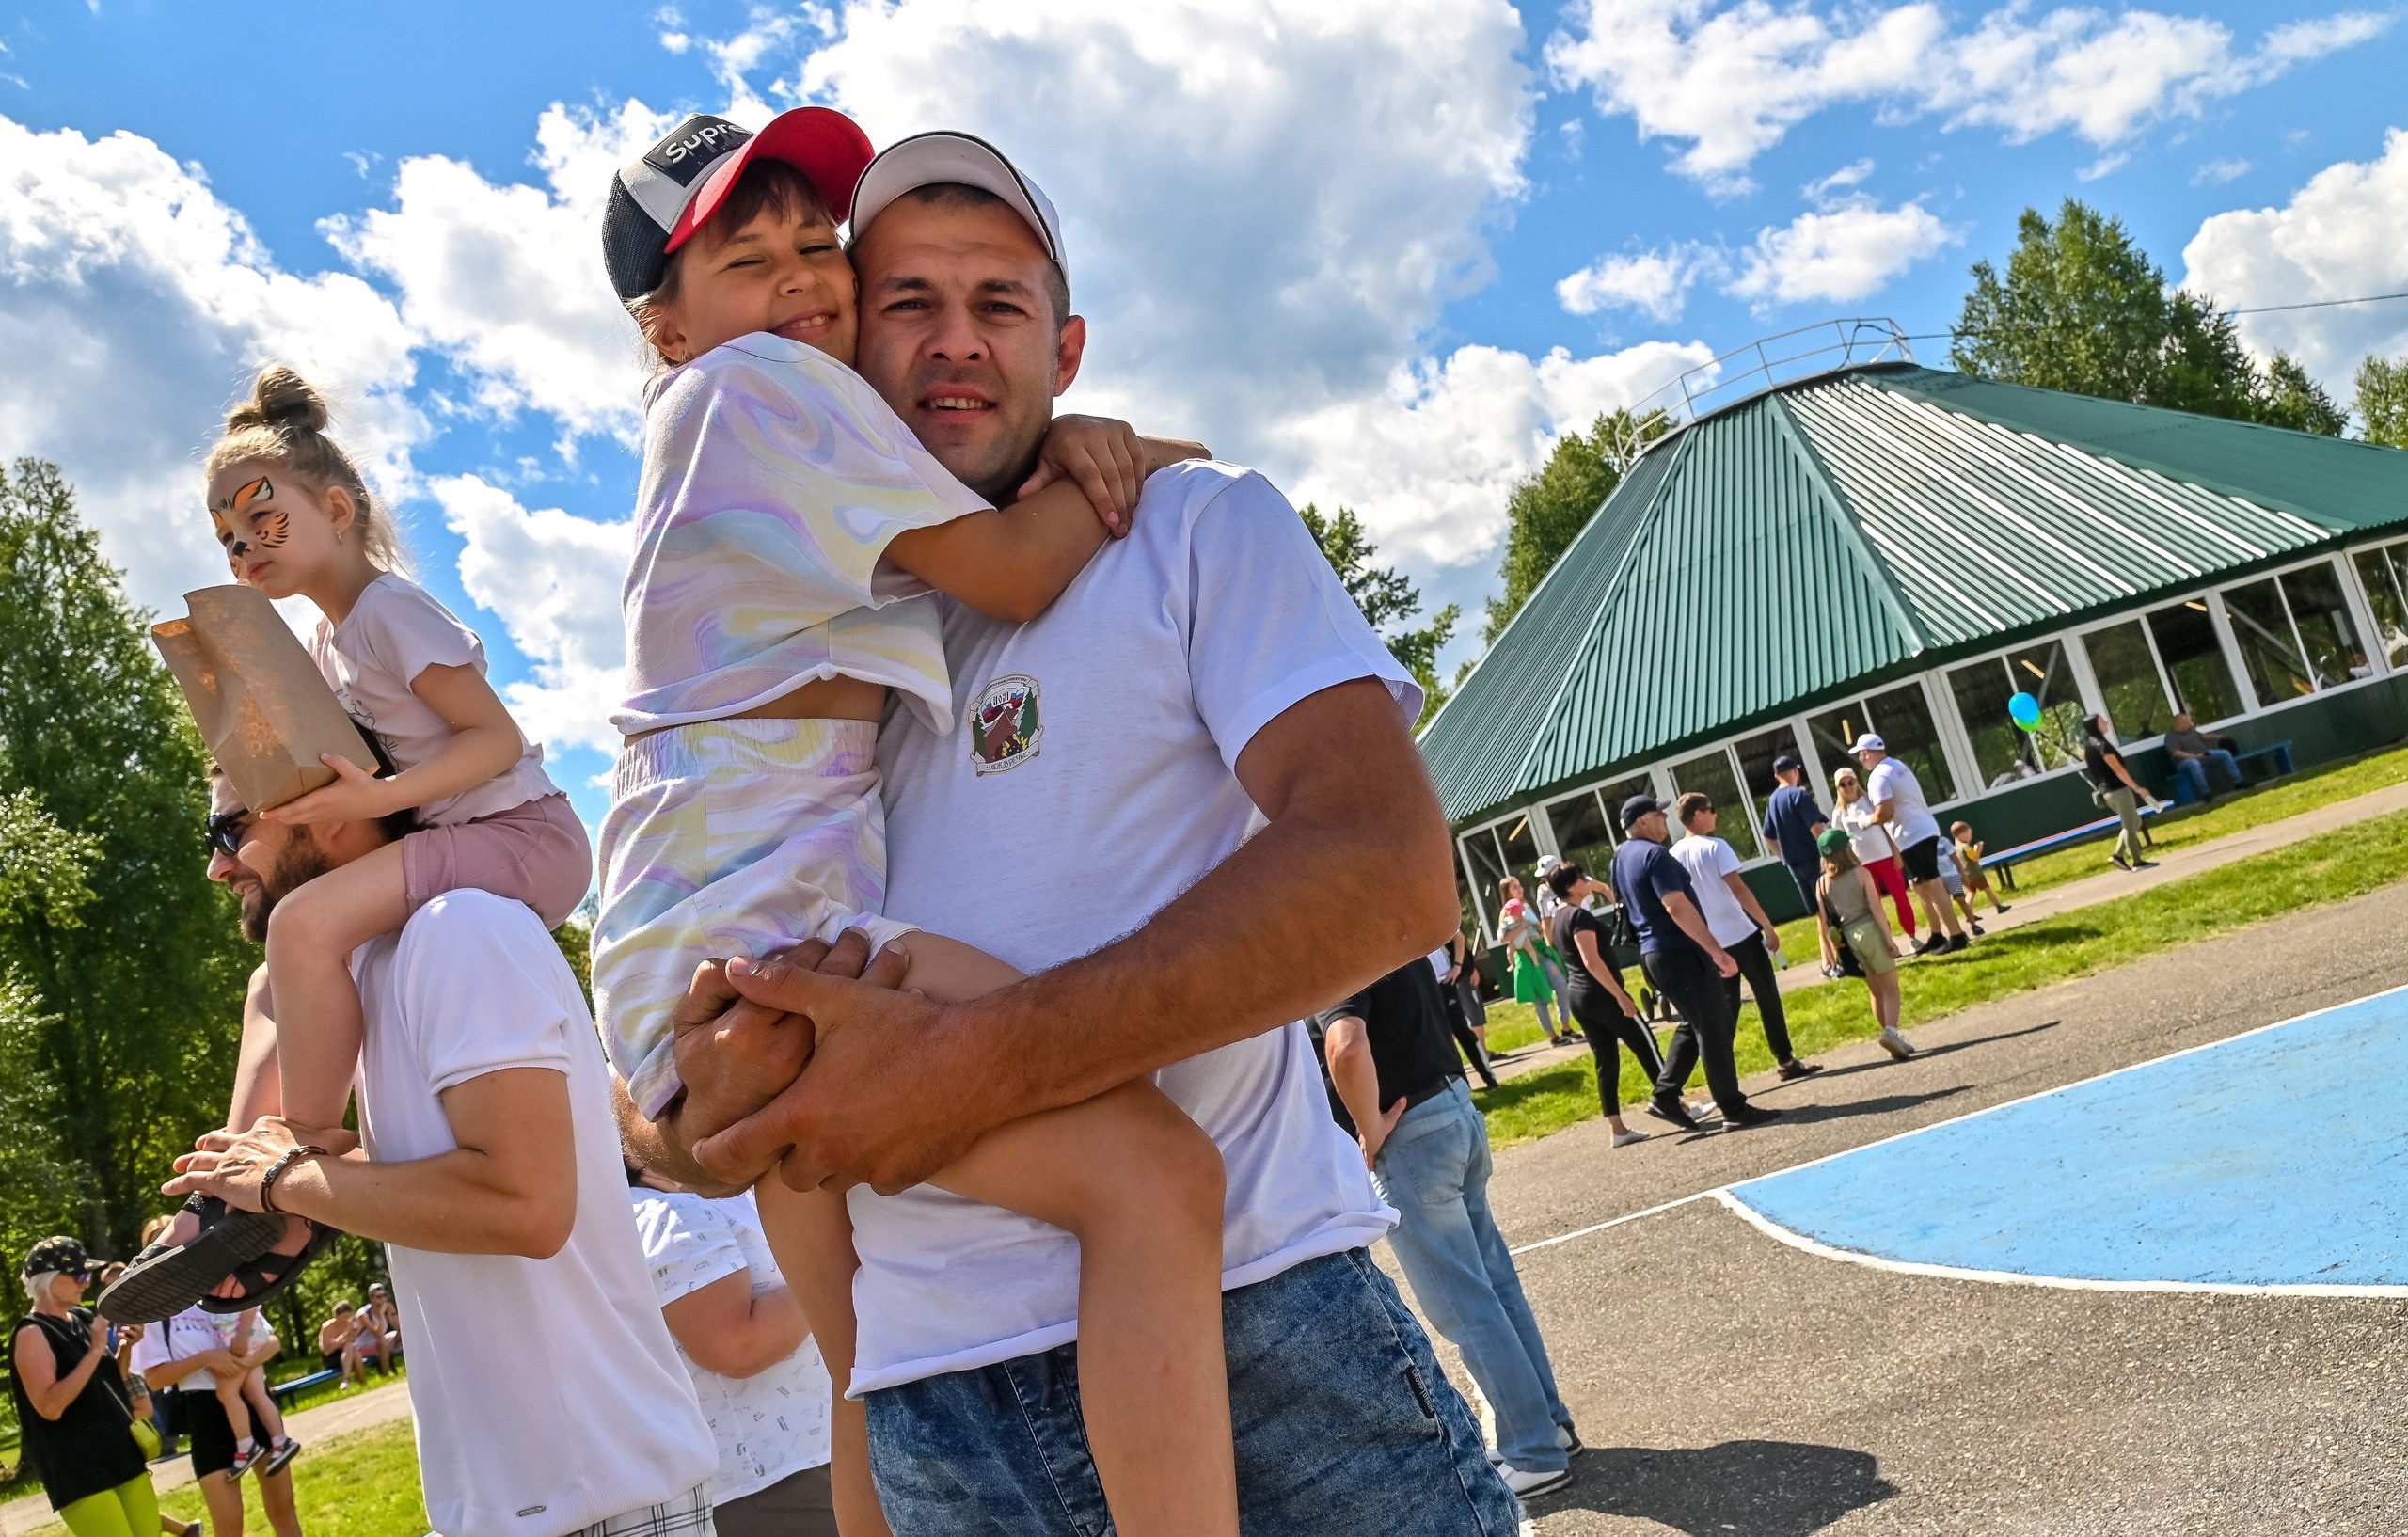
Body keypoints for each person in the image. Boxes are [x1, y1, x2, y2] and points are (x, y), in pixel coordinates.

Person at [623, 127, 1517, 1537]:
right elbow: (673, 1105)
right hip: (935, 1417)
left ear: (1071, 343)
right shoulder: (851, 611)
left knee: (1150, 1180)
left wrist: (968, 1067)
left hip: (1260, 1343)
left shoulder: (1191, 530)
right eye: (905, 299)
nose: (952, 341)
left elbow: (1392, 872)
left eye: (1001, 302)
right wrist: (697, 1123)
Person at [592, 109, 1241, 1537]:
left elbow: (965, 502)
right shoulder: (758, 390)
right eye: (748, 263)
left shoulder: (761, 429)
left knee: (858, 1361)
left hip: (696, 937)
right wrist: (1127, 463)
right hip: (765, 933)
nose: (806, 283)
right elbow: (1009, 568)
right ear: (669, 330)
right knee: (1156, 1173)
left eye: (818, 243)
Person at [115, 365, 594, 1321]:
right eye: (228, 535)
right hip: (462, 830)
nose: (245, 546)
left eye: (264, 519)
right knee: (271, 980)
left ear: (338, 506)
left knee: (301, 928)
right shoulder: (333, 643)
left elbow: (494, 740)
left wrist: (382, 791)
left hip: (522, 834)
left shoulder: (389, 612)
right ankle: (237, 1198)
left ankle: (302, 1151)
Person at [157, 768, 719, 1537]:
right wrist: (279, 1190)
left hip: (597, 1489)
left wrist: (289, 1182)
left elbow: (524, 1207)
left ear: (321, 809)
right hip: (499, 1504)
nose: (216, 866)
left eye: (227, 831)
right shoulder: (361, 969)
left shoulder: (460, 931)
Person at [1318, 957, 1578, 1499]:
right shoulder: (1391, 933)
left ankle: (1533, 1448)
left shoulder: (1328, 952)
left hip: (1409, 1135)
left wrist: (1370, 1128)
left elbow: (1345, 1044)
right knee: (1496, 1287)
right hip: (1452, 1107)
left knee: (1466, 1306)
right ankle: (1548, 1424)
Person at [628, 1167, 837, 1537]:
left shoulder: (692, 1205)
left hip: (799, 1467)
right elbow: (737, 1347)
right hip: (776, 1483)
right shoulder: (670, 1216)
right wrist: (836, 1269)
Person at [1609, 796, 1780, 1132]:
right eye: (1658, 815)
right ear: (1642, 822)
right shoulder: (1654, 855)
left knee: (1694, 1022)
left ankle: (1666, 1096)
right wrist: (1715, 949)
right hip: (1679, 951)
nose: (1665, 820)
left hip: (1651, 953)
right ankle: (1733, 1107)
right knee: (1713, 1026)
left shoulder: (1620, 858)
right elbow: (1675, 906)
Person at [9, 1238, 156, 1537]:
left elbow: (104, 1382)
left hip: (121, 1452)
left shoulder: (83, 1318)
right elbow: (50, 1407)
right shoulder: (31, 1333)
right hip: (78, 1472)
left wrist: (125, 1350)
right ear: (49, 1281)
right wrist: (95, 1349)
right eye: (79, 1276)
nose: (86, 1284)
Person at [1671, 794, 1823, 1082]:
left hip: (1711, 943)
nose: (1715, 815)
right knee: (1767, 997)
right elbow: (1738, 888)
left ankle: (1723, 1071)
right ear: (1699, 815)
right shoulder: (1716, 846)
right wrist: (1766, 924)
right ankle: (1786, 1059)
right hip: (1740, 933)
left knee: (1726, 1007)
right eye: (1711, 810)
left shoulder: (1674, 855)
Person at [131, 1307, 303, 1537]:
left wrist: (240, 1366)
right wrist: (206, 1359)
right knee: (229, 1526)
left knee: (284, 1509)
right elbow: (155, 1379)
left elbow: (271, 1342)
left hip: (253, 1402)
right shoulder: (155, 1311)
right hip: (205, 1413)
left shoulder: (222, 1290)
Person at [1544, 861, 1660, 1147]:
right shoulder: (1578, 917)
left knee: (1606, 1060)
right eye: (1582, 878)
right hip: (1601, 994)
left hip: (1579, 996)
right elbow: (1591, 961)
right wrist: (1620, 995)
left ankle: (1617, 1129)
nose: (1587, 880)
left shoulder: (1559, 917)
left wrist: (1603, 889)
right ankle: (1674, 1101)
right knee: (1646, 1044)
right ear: (1571, 886)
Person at [1853, 734, 1968, 955]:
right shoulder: (1897, 765)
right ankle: (1936, 934)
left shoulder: (1879, 775)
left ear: (1867, 753)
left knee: (1932, 884)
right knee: (1919, 886)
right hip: (1920, 830)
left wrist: (1865, 821)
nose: (1860, 759)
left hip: (1913, 834)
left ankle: (1956, 935)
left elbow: (1885, 813)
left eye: (1861, 754)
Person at [1813, 831, 1913, 1060]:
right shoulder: (1861, 873)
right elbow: (1876, 909)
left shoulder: (1821, 883)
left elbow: (1824, 920)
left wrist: (1832, 952)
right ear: (1847, 849)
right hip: (1869, 931)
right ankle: (1891, 1032)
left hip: (1847, 940)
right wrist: (1889, 940)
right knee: (1890, 987)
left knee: (1876, 992)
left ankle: (1891, 1035)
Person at [195, 1310, 298, 1480]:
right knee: (256, 1394)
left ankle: (246, 1445)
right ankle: (280, 1441)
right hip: (247, 1339)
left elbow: (249, 1305)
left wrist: (242, 1336)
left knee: (226, 1393)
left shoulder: (229, 1285)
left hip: (245, 1342)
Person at [1830, 767, 1917, 939]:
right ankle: (1887, 940)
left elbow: (1887, 826)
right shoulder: (1838, 813)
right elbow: (1840, 842)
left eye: (1850, 782)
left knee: (1900, 897)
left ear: (1856, 782)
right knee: (1873, 904)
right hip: (1862, 864)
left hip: (1885, 856)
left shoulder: (1870, 801)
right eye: (1843, 784)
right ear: (1838, 788)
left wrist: (1896, 852)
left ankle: (1912, 935)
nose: (1848, 787)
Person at [1497, 879, 1574, 1045]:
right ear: (1507, 892)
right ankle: (1553, 1036)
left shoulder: (1526, 906)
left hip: (1540, 949)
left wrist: (1540, 933)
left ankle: (1566, 1026)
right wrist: (1522, 927)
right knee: (1540, 997)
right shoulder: (1507, 911)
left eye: (1520, 885)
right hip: (1525, 955)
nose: (1520, 889)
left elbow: (1539, 927)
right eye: (1515, 887)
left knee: (1561, 984)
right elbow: (1504, 939)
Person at [2083, 716, 2160, 872]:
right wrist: (2138, 789)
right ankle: (2137, 862)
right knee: (2129, 825)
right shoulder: (2103, 746)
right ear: (2096, 726)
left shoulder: (2089, 747)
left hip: (2106, 793)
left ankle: (2118, 856)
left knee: (2135, 822)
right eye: (2102, 721)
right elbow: (2118, 770)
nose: (2107, 723)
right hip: (2118, 790)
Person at [1758, 753, 1830, 912]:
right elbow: (1816, 828)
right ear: (1796, 772)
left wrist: (1783, 856)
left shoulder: (1773, 800)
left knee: (1819, 912)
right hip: (1814, 860)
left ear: (1777, 777)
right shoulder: (1799, 794)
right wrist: (1828, 853)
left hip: (1795, 865)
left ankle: (1825, 938)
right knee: (1830, 908)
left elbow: (1767, 835)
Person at [1433, 941, 1498, 1089]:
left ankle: (1489, 1079)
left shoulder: (1429, 921)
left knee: (1462, 1031)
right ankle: (1463, 1085)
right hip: (1427, 985)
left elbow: (1459, 937)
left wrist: (1457, 966)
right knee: (1444, 1038)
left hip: (1444, 981)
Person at [2163, 713, 2241, 803]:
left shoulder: (2190, 730)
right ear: (2180, 723)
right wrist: (2196, 756)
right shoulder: (2170, 736)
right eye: (2187, 722)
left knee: (2225, 754)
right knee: (2194, 764)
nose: (2189, 724)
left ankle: (2239, 782)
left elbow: (2201, 736)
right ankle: (2206, 793)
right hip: (2184, 762)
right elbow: (2176, 753)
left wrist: (2217, 736)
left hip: (2203, 754)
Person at [1948, 823, 2009, 918]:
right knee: (1988, 890)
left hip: (1965, 876)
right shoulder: (1966, 847)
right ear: (1962, 834)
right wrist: (1978, 849)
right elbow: (1975, 858)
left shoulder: (1955, 849)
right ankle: (1998, 906)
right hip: (1975, 874)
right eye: (1969, 834)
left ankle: (1969, 914)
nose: (1970, 837)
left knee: (1971, 893)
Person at [315, 1302, 365, 1386]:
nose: (346, 1320)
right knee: (352, 1350)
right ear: (336, 1316)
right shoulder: (327, 1327)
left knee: (355, 1353)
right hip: (332, 1357)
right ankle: (357, 1382)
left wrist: (346, 1338)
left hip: (347, 1353)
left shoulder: (349, 1324)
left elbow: (353, 1339)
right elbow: (326, 1352)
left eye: (348, 1317)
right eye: (344, 1317)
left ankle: (350, 1382)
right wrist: (339, 1342)